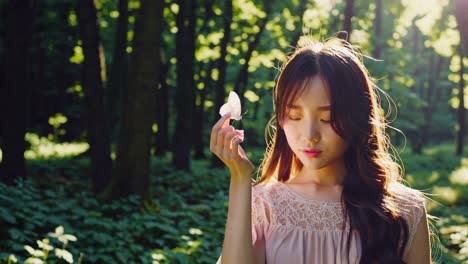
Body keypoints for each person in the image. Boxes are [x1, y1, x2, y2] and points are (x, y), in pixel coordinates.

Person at [210, 37, 431, 264]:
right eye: (295, 116)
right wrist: (239, 179)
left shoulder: (405, 209)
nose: (309, 135)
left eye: (327, 118)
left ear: (357, 118)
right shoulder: (264, 206)